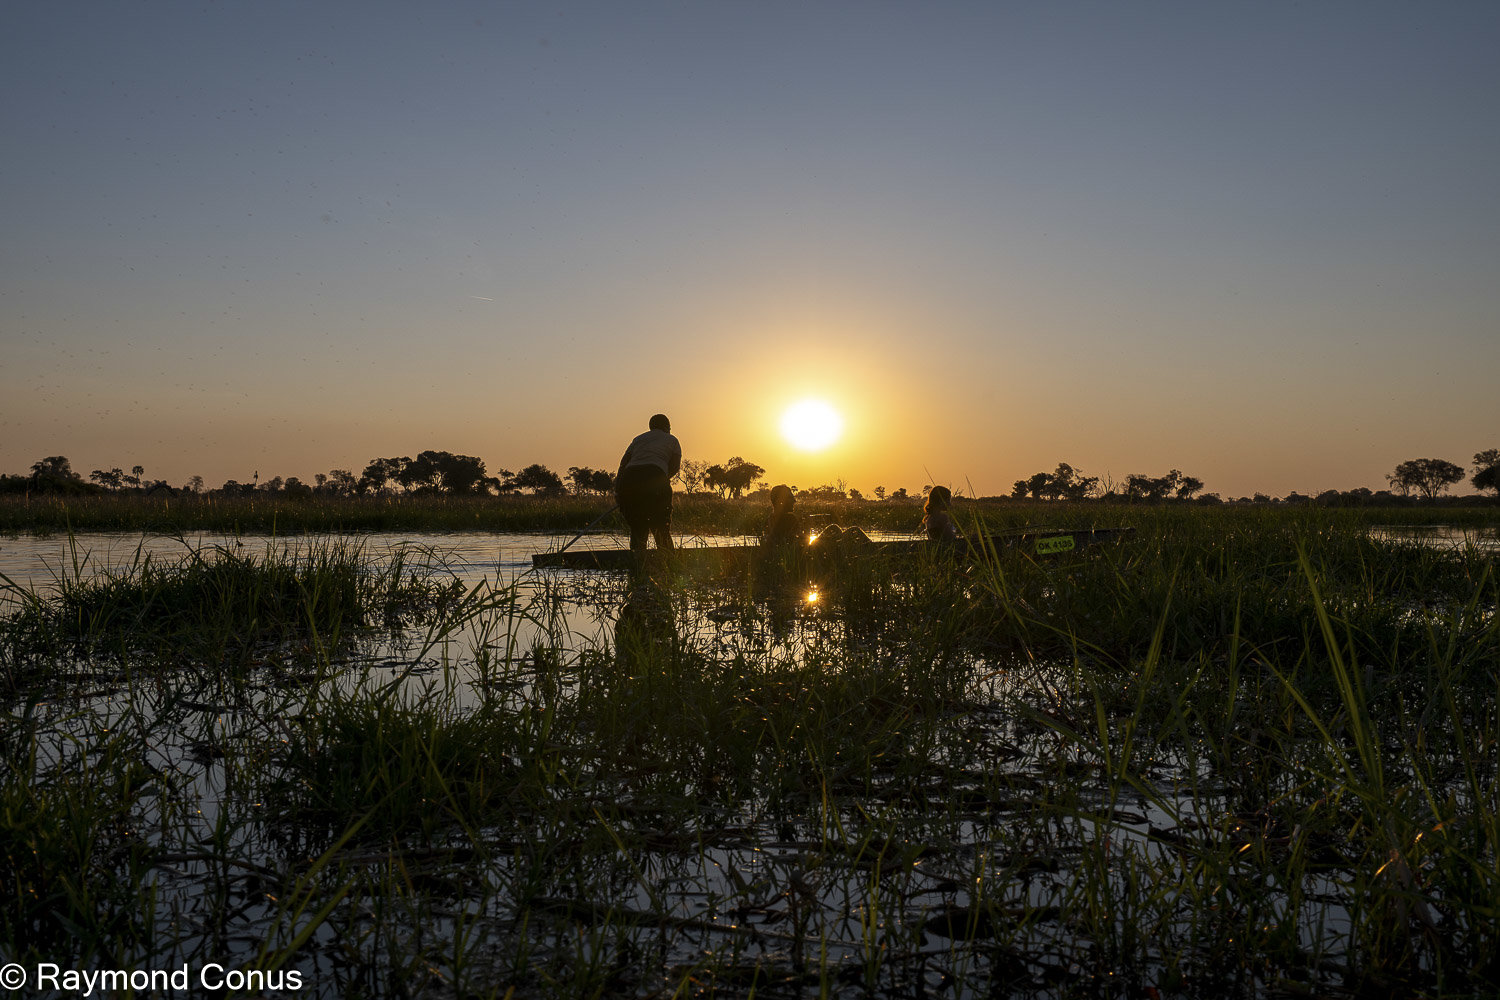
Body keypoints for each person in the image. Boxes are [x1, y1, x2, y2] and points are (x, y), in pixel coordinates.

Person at [615, 413, 681, 552]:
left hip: (629, 479)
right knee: (661, 526)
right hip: (654, 475)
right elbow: (675, 467)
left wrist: (619, 490)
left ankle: (637, 563)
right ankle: (667, 561)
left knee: (638, 528)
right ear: (667, 427)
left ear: (651, 427)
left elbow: (623, 464)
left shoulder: (638, 439)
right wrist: (659, 481)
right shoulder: (672, 440)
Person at [923, 485, 966, 549]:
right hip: (946, 549)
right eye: (948, 500)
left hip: (937, 549)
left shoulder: (929, 518)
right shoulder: (942, 517)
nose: (950, 504)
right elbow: (950, 538)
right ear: (940, 501)